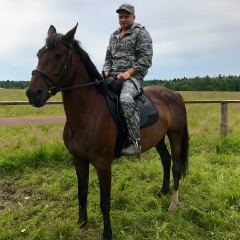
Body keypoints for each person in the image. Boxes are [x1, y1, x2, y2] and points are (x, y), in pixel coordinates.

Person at [102, 3, 153, 156]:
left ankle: (135, 141)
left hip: (133, 77)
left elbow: (146, 59)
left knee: (125, 99)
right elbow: (108, 58)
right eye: (120, 17)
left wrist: (128, 74)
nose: (123, 19)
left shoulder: (141, 34)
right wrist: (105, 71)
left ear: (133, 17)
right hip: (112, 75)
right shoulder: (113, 36)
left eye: (126, 16)